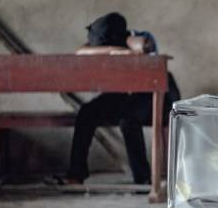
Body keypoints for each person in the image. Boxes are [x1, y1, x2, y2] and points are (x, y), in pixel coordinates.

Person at [49, 12, 180, 186]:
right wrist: (112, 50)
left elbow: (140, 48)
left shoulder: (137, 37)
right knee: (87, 113)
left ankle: (143, 179)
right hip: (128, 93)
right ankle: (76, 174)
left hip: (156, 93)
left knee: (128, 120)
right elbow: (81, 52)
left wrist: (125, 47)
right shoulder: (105, 44)